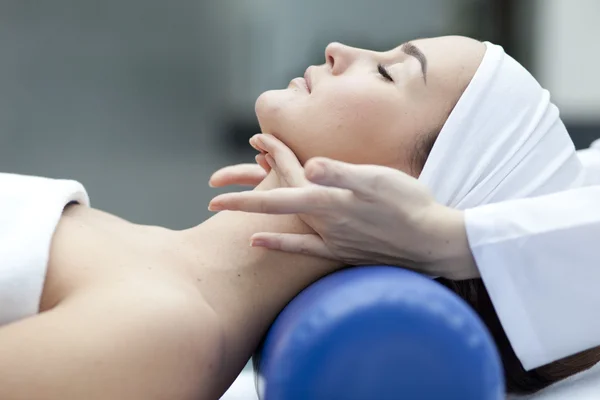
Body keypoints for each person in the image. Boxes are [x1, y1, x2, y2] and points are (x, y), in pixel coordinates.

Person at [0, 35, 581, 399]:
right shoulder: (156, 279)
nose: (340, 49)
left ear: (401, 195)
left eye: (387, 72)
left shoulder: (162, 333)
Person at [209, 39, 600, 394]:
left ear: (396, 204)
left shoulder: (172, 322)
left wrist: (457, 237)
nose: (337, 49)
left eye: (386, 73)